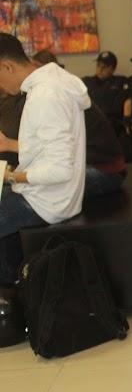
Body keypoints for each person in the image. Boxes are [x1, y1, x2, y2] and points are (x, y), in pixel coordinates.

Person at [0, 34, 89, 284]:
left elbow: (60, 170)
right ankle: (13, 289)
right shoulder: (50, 85)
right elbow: (43, 149)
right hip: (47, 193)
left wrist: (11, 176)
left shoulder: (46, 96)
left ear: (7, 66)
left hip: (46, 201)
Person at [31, 50, 127, 196]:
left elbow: (55, 146)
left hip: (103, 168)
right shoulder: (73, 84)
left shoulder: (59, 93)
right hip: (92, 162)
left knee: (39, 190)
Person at [82, 51, 128, 132]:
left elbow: (118, 108)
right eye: (98, 66)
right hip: (90, 123)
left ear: (112, 69)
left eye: (104, 67)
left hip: (112, 124)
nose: (100, 69)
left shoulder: (120, 82)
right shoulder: (87, 81)